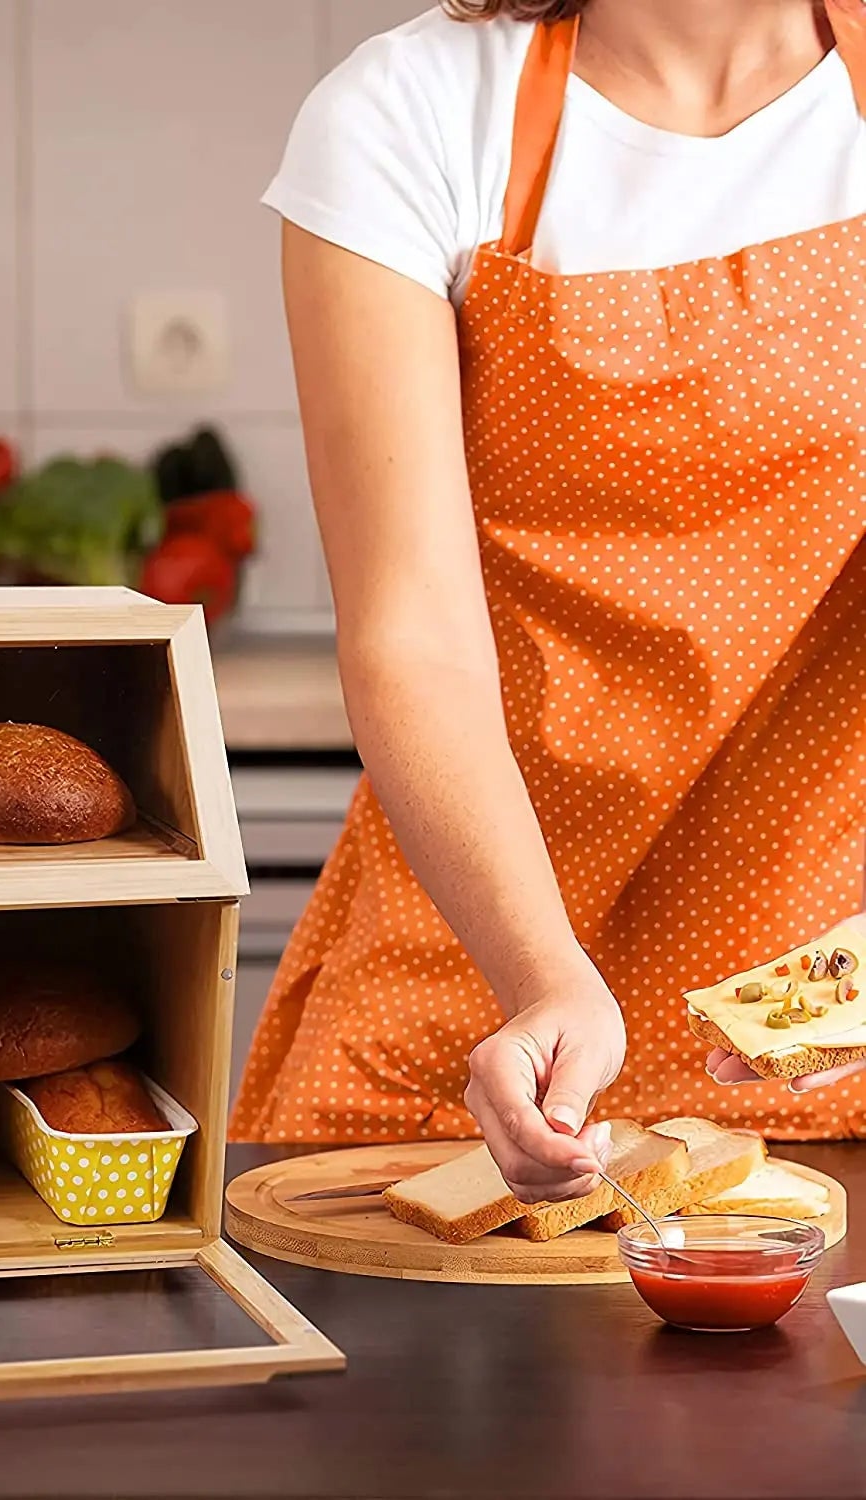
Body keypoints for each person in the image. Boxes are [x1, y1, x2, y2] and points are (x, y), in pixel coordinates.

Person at [231, 0, 866, 1203]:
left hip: (821, 1016)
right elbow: (413, 634)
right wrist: (547, 980)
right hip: (472, 996)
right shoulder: (410, 113)